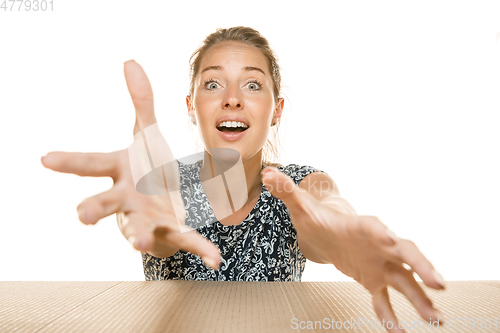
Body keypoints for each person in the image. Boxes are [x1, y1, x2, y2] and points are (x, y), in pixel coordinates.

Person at [41, 26, 445, 331]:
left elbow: (329, 212)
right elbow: (150, 223)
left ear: (276, 109)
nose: (232, 97)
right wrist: (145, 218)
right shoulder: (163, 184)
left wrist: (341, 232)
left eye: (252, 84)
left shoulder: (302, 184)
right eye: (213, 83)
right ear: (191, 105)